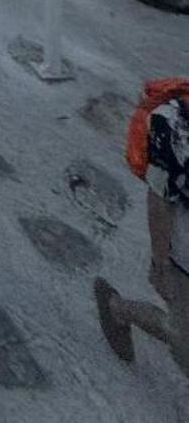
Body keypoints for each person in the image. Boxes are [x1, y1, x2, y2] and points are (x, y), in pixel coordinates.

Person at [94, 82, 189, 376]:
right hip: (183, 260)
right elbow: (158, 201)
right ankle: (116, 308)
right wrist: (161, 264)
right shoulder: (171, 126)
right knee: (185, 347)